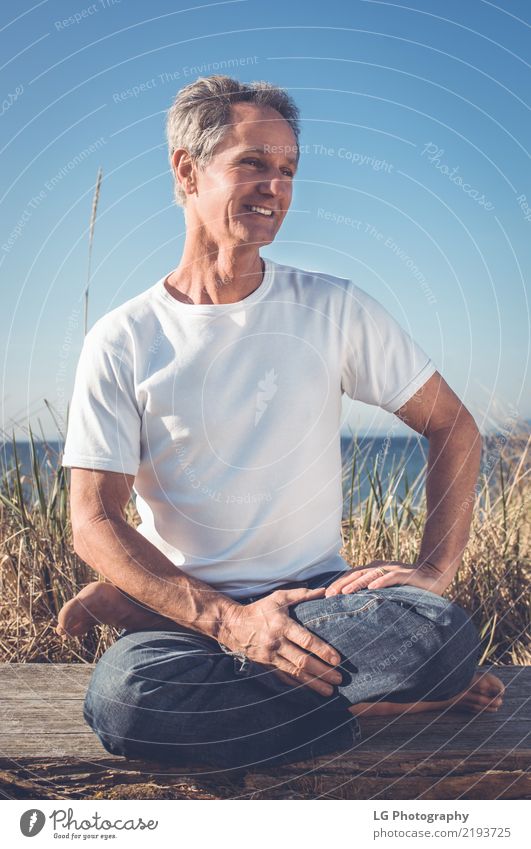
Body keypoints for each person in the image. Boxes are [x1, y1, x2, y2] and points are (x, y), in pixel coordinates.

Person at [59, 75, 503, 769]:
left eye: (287, 169)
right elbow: (94, 519)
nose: (275, 186)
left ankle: (328, 694)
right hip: (188, 614)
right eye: (252, 163)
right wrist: (228, 623)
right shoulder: (123, 338)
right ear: (186, 169)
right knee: (127, 699)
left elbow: (453, 426)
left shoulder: (332, 308)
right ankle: (379, 705)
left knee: (437, 634)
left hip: (319, 605)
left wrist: (434, 568)